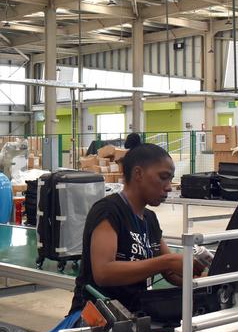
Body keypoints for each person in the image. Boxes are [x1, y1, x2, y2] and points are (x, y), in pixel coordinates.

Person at [68, 133, 205, 316]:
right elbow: (103, 272)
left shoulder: (149, 219)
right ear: (138, 174)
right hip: (96, 316)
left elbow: (170, 272)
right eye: (163, 177)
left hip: (132, 313)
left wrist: (202, 277)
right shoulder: (109, 211)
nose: (169, 187)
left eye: (170, 179)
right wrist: (168, 261)